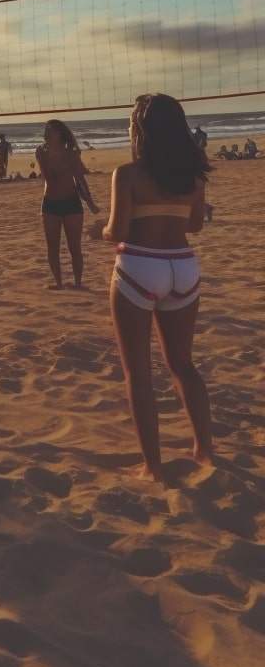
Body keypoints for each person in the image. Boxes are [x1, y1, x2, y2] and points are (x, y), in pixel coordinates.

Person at [90, 93, 212, 482]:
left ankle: (153, 467)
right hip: (183, 267)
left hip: (141, 266)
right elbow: (195, 226)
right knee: (183, 365)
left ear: (140, 130)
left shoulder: (128, 174)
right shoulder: (193, 177)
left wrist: (99, 231)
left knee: (138, 373)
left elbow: (118, 231)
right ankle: (205, 450)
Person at [36, 119, 98, 290]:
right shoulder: (41, 152)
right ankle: (58, 284)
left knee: (74, 247)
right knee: (52, 247)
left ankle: (78, 283)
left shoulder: (70, 154)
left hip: (71, 202)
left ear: (60, 134)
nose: (47, 133)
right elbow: (48, 178)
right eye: (46, 130)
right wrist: (43, 159)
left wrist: (90, 202)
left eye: (51, 130)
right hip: (50, 203)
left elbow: (80, 180)